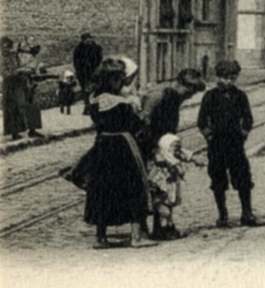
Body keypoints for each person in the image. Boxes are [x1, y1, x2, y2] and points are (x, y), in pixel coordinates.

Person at [81, 57, 155, 248]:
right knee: (135, 186)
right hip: (123, 145)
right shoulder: (121, 104)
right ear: (113, 81)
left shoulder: (93, 101)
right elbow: (136, 125)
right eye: (120, 79)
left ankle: (101, 238)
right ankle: (136, 237)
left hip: (102, 144)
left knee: (102, 190)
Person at [197, 59, 265, 228]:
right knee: (218, 179)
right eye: (225, 78)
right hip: (217, 144)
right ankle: (222, 215)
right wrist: (209, 136)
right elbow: (201, 121)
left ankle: (247, 213)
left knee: (243, 177)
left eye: (232, 78)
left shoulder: (240, 96)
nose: (228, 81)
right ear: (218, 78)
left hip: (235, 143)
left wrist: (243, 134)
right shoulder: (210, 96)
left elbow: (248, 118)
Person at [138, 68, 205, 151]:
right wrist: (155, 149)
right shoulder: (156, 96)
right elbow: (143, 124)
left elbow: (171, 124)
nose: (189, 97)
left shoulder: (175, 95)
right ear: (178, 84)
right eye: (187, 93)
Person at [0, 37, 44, 140]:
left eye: (8, 46)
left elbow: (25, 57)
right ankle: (14, 133)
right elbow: (4, 73)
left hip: (21, 82)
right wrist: (18, 71)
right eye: (3, 47)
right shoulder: (0, 59)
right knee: (12, 109)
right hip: (9, 85)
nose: (6, 49)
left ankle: (33, 130)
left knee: (31, 105)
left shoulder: (14, 55)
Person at [73, 32, 103, 96]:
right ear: (83, 40)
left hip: (94, 69)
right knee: (85, 87)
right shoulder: (78, 49)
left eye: (89, 39)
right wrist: (78, 70)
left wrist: (97, 67)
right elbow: (76, 61)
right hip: (83, 71)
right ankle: (87, 100)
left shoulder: (97, 48)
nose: (88, 41)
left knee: (96, 85)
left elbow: (100, 58)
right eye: (86, 40)